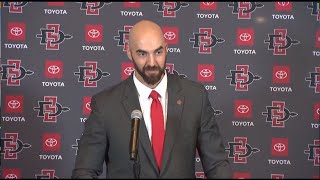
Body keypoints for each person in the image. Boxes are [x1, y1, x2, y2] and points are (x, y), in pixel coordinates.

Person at [71, 19, 232, 179]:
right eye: (142, 54)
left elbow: (217, 165)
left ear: (167, 49)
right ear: (129, 52)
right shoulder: (105, 105)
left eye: (158, 52)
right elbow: (85, 171)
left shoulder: (195, 97)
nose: (152, 62)